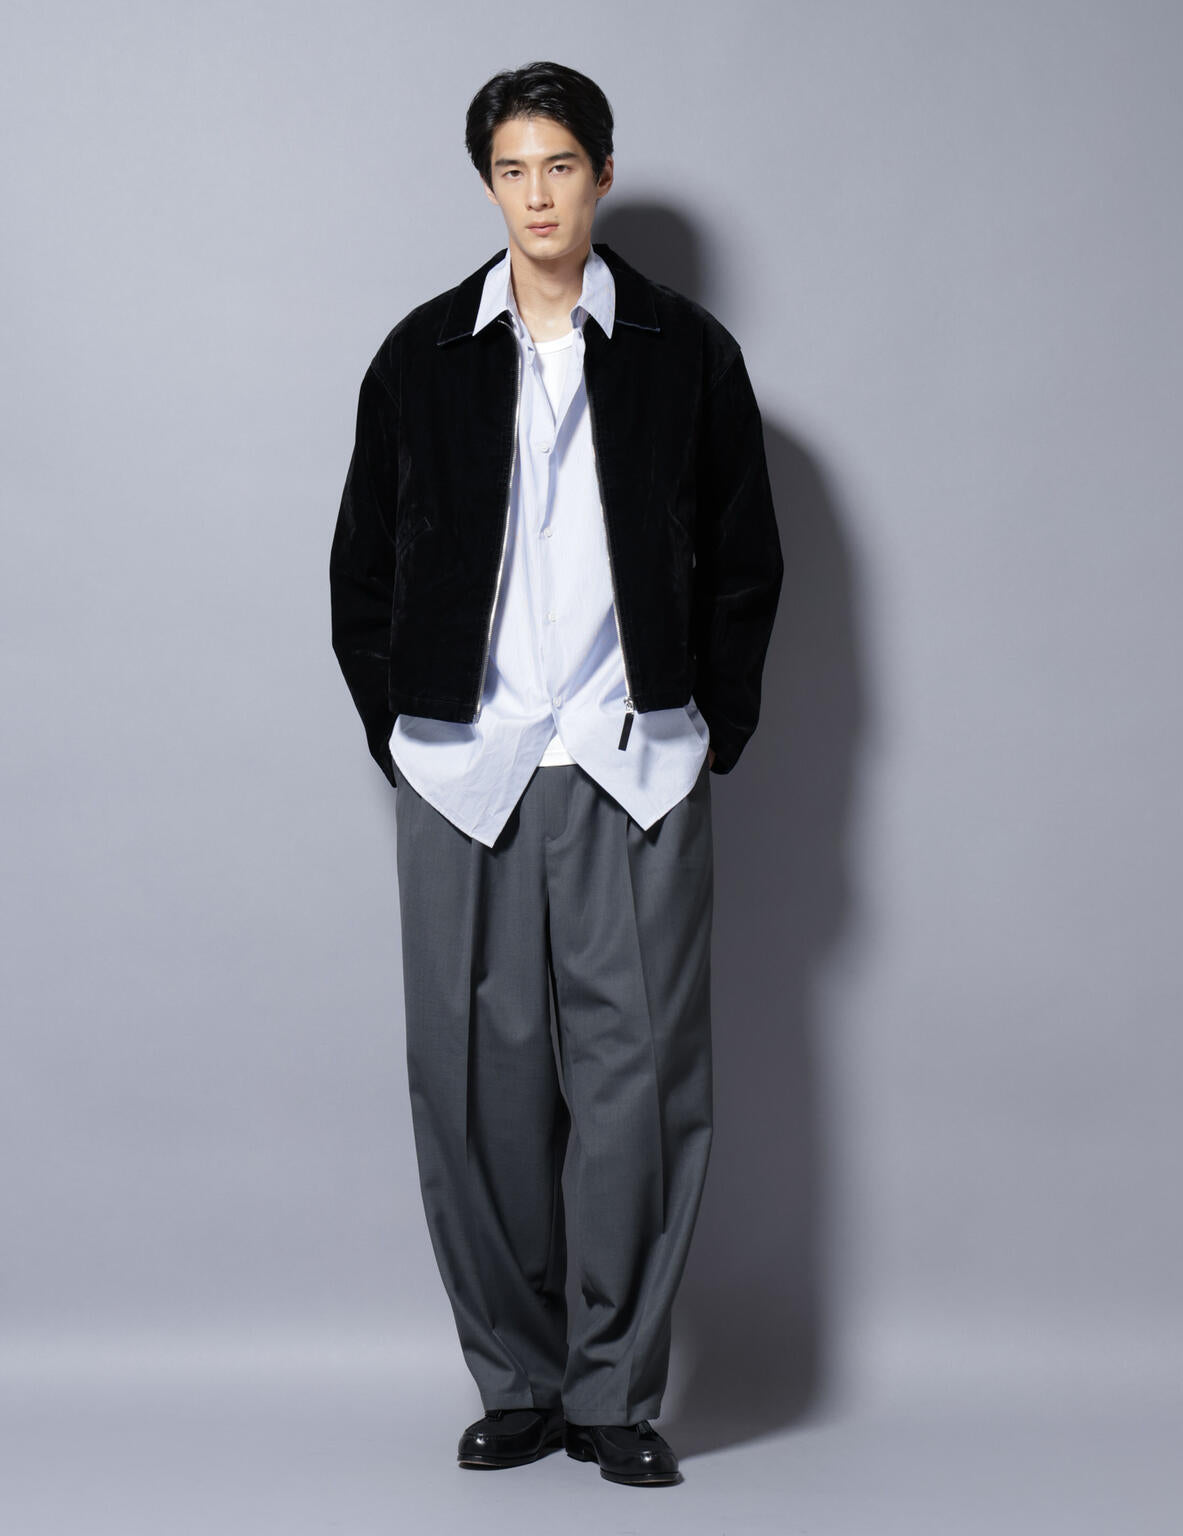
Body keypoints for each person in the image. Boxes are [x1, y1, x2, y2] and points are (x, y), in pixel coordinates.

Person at [329, 60, 782, 1487]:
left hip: (631, 762)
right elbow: (362, 569)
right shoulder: (420, 355)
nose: (539, 195)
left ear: (601, 175)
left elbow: (746, 561)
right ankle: (517, 1382)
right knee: (474, 1089)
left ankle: (616, 1392)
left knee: (640, 1086)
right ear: (488, 186)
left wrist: (705, 730)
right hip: (464, 770)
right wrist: (406, 735)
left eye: (562, 165)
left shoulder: (686, 353)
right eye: (513, 171)